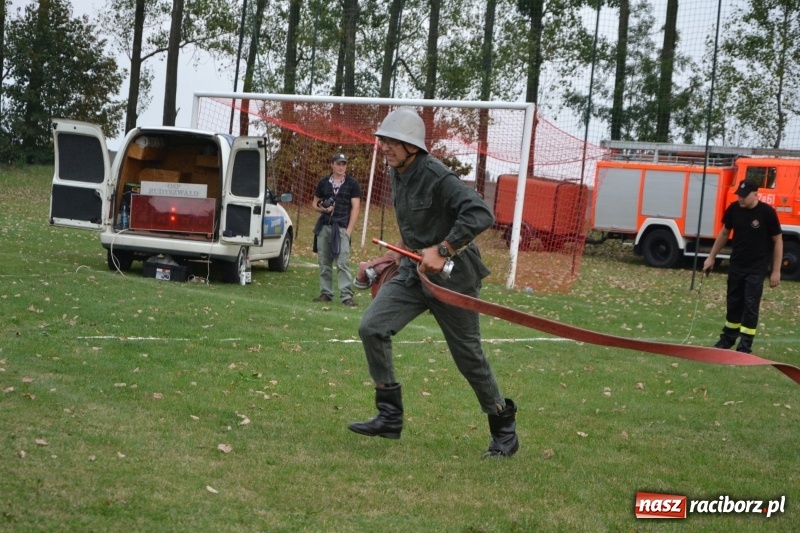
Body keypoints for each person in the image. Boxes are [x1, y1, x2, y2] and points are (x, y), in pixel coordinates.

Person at [347, 107, 519, 459]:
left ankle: (504, 429)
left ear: (413, 147)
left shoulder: (438, 176)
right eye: (384, 141)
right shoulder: (397, 172)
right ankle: (389, 416)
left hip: (455, 278)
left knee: (469, 357)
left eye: (394, 142)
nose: (386, 147)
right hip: (413, 271)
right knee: (371, 327)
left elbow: (480, 214)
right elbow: (419, 221)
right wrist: (399, 253)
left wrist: (443, 248)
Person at [703, 178, 783, 354]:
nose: (740, 199)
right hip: (737, 265)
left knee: (750, 305)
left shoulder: (767, 213)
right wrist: (711, 257)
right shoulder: (733, 209)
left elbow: (778, 241)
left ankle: (745, 346)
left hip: (757, 268)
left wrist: (776, 271)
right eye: (739, 195)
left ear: (755, 195)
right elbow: (724, 233)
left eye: (744, 196)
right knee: (733, 303)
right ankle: (727, 340)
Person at [311, 153, 362, 307]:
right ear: (332, 164)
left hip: (341, 228)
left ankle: (346, 295)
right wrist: (323, 209)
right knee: (324, 262)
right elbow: (314, 203)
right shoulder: (324, 182)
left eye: (344, 164)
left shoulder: (352, 183)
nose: (341, 167)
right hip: (324, 227)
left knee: (343, 262)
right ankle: (326, 293)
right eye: (338, 164)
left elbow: (356, 207)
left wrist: (349, 231)